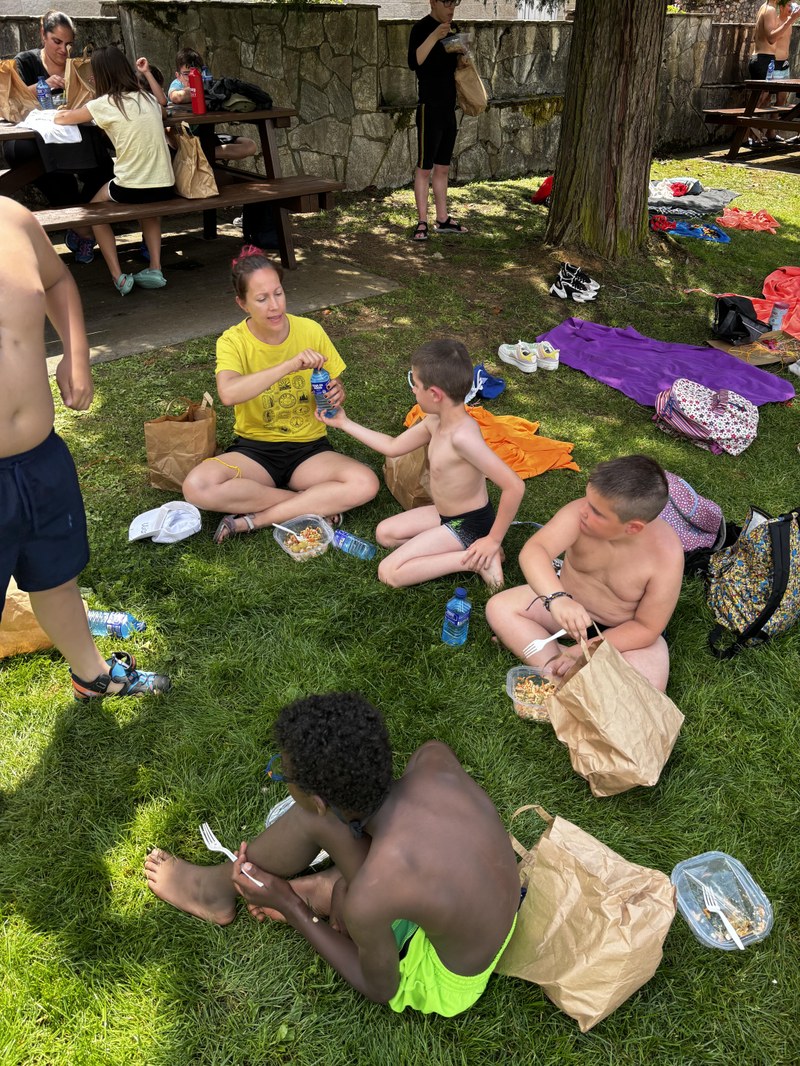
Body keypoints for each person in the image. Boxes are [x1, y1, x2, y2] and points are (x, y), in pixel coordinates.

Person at [145, 692, 519, 1016]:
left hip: (450, 973)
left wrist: (291, 906)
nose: (282, 779)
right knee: (328, 835)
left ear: (319, 799)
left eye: (283, 776)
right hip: (489, 906)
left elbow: (380, 988)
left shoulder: (373, 895)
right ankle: (289, 886)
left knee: (339, 868)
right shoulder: (433, 758)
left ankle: (254, 891)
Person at [0, 197, 170, 701]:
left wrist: (77, 356)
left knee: (54, 576)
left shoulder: (12, 216)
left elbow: (56, 282)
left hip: (39, 458)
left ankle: (91, 674)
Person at [181, 247, 379, 542]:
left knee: (366, 483)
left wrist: (338, 393)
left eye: (278, 293)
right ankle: (308, 500)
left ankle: (255, 519)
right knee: (197, 487)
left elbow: (333, 385)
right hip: (255, 451)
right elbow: (228, 393)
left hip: (309, 449)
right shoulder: (232, 341)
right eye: (261, 299)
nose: (274, 305)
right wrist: (288, 365)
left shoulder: (310, 330)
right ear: (242, 303)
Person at [321, 339, 524, 588]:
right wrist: (344, 423)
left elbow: (514, 486)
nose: (413, 390)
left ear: (435, 394)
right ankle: (470, 551)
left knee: (389, 572)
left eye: (415, 384)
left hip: (468, 523)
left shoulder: (463, 437)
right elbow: (393, 447)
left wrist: (493, 539)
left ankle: (476, 559)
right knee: (384, 534)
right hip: (444, 514)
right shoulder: (434, 421)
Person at [486, 455, 684, 692]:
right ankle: (558, 667)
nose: (583, 510)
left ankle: (560, 661)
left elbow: (646, 628)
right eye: (587, 500)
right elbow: (534, 551)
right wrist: (557, 599)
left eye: (597, 511)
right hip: (564, 611)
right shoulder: (579, 516)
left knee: (648, 686)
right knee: (499, 608)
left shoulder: (666, 555)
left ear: (632, 527)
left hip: (621, 634)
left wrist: (584, 648)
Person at [55, 46, 176, 295]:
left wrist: (89, 92)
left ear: (100, 76)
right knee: (149, 212)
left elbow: (63, 118)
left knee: (95, 211)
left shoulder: (105, 103)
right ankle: (155, 267)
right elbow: (163, 103)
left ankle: (118, 276)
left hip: (130, 186)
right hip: (165, 185)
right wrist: (147, 74)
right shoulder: (147, 99)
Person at [7, 10, 113, 255]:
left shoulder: (76, 66)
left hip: (70, 136)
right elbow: (12, 99)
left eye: (69, 44)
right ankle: (83, 230)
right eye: (57, 42)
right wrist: (43, 86)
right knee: (55, 173)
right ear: (43, 35)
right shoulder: (26, 61)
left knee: (103, 163)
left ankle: (81, 226)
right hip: (31, 138)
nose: (64, 50)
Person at [407, 0, 468, 242]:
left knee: (443, 167)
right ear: (433, 2)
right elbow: (414, 62)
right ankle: (422, 221)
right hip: (428, 108)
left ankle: (442, 219)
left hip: (448, 108)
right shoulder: (421, 28)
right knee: (425, 168)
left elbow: (455, 67)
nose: (451, 9)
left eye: (454, 4)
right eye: (446, 4)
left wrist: (464, 54)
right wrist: (435, 35)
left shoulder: (454, 29)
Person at [167, 48, 258, 163]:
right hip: (186, 139)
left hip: (205, 139)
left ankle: (200, 154)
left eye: (195, 72)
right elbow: (176, 97)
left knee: (249, 145)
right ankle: (201, 154)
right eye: (186, 74)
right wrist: (200, 89)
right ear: (178, 75)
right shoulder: (177, 84)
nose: (190, 77)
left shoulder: (208, 84)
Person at [747, 1, 800, 146]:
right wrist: (791, 19)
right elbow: (771, 38)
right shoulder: (770, 9)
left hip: (766, 59)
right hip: (764, 59)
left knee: (767, 98)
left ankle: (764, 134)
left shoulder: (765, 8)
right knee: (761, 98)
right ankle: (751, 135)